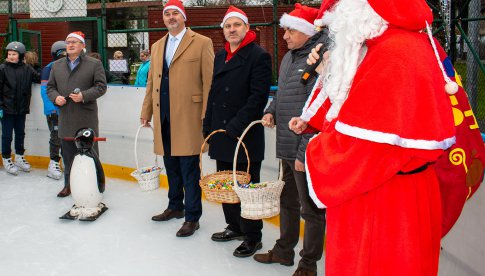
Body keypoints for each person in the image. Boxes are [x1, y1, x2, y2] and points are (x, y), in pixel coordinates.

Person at [288, 0, 456, 275]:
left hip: (386, 205)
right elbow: (351, 106)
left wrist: (317, 149)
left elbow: (368, 146)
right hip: (381, 192)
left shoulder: (396, 52)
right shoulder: (378, 47)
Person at [254, 4, 327, 276]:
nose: (284, 35)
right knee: (288, 200)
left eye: (290, 30)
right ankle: (284, 251)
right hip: (286, 142)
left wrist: (303, 152)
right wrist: (271, 111)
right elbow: (282, 93)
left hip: (306, 147)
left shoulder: (319, 59)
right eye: (284, 29)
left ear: (307, 32)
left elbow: (321, 107)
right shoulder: (289, 58)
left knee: (311, 210)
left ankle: (308, 265)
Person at [140, 0, 214, 237]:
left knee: (189, 169)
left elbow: (209, 82)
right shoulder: (157, 45)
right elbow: (152, 82)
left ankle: (193, 217)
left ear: (184, 17)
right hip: (164, 116)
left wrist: (206, 116)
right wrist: (146, 112)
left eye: (175, 13)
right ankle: (175, 207)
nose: (171, 17)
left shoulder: (202, 42)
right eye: (167, 14)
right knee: (171, 166)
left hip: (190, 117)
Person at [202, 6, 271, 258]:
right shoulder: (221, 56)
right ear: (223, 30)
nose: (232, 29)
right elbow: (214, 94)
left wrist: (234, 127)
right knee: (226, 184)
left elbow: (257, 98)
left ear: (246, 28)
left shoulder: (258, 56)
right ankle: (234, 226)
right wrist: (208, 125)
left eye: (236, 25)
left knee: (247, 187)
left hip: (243, 136)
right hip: (221, 132)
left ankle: (253, 236)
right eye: (228, 26)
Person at [47, 31, 107, 197]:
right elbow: (50, 87)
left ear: (82, 46)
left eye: (74, 42)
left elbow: (101, 86)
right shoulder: (57, 65)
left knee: (90, 152)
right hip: (66, 116)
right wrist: (56, 98)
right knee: (67, 154)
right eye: (68, 42)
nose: (70, 45)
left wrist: (84, 96)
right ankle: (68, 185)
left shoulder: (94, 64)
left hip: (86, 117)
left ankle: (96, 184)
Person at [0, 42, 40, 175]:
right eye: (9, 54)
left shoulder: (27, 68)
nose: (11, 56)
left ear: (20, 55)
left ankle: (19, 157)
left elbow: (38, 78)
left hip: (21, 108)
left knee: (20, 133)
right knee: (6, 135)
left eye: (14, 54)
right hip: (6, 109)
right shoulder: (3, 69)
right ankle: (6, 158)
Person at [40, 41, 67, 180]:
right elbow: (45, 91)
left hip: (68, 110)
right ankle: (54, 162)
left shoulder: (70, 67)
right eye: (60, 54)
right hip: (54, 110)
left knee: (67, 137)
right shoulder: (48, 69)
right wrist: (52, 109)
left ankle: (67, 162)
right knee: (56, 136)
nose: (63, 56)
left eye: (65, 53)